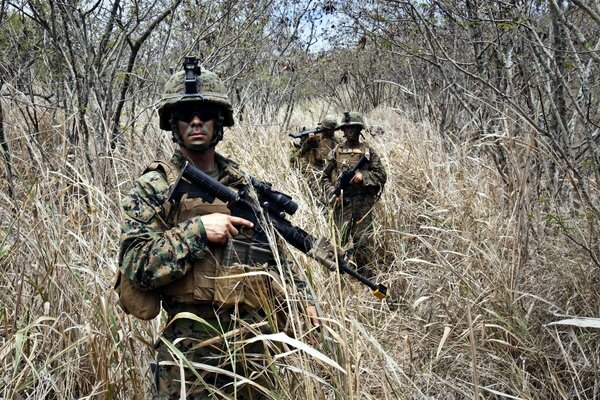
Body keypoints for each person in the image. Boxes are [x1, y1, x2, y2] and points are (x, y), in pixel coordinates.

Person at [116, 57, 317, 399]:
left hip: (255, 348)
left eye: (205, 113)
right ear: (172, 123)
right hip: (189, 354)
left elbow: (277, 253)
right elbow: (134, 263)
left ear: (219, 120)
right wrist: (196, 232)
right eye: (186, 114)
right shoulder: (156, 185)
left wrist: (304, 300)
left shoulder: (243, 185)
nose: (196, 121)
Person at [321, 111, 387, 278]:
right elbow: (324, 177)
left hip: (363, 205)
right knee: (338, 242)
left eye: (353, 128)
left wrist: (362, 176)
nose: (349, 131)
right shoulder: (336, 151)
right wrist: (332, 192)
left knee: (363, 242)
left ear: (359, 129)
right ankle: (337, 276)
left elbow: (381, 175)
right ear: (342, 130)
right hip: (342, 204)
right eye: (346, 128)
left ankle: (364, 277)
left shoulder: (368, 152)